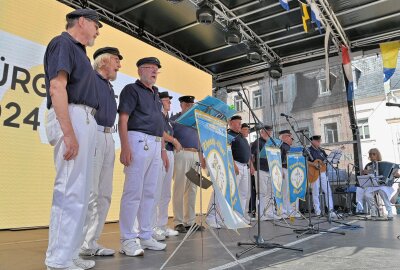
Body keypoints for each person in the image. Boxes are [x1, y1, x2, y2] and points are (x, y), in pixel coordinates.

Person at [44, 8, 101, 270]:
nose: (98, 31)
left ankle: (71, 252)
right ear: (81, 21)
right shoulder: (62, 43)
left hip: (85, 119)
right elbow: (57, 86)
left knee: (81, 191)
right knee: (69, 190)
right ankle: (58, 258)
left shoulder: (80, 51)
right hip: (73, 116)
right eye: (96, 25)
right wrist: (68, 133)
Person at [118, 57, 168, 256]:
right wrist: (124, 146)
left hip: (155, 144)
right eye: (151, 68)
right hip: (138, 141)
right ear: (140, 70)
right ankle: (127, 239)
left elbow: (160, 125)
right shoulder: (131, 89)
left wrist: (163, 150)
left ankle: (145, 235)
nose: (155, 72)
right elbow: (123, 118)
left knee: (150, 192)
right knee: (133, 192)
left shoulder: (156, 94)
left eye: (157, 69)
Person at [79, 47, 122, 257]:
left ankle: (91, 242)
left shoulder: (108, 85)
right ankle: (80, 243)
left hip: (108, 137)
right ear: (103, 61)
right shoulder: (91, 79)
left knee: (104, 194)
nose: (119, 65)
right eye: (116, 60)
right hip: (93, 133)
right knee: (91, 192)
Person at [171, 95, 205, 233]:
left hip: (195, 155)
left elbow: (200, 139)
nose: (191, 107)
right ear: (181, 105)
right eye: (188, 105)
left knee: (192, 190)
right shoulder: (174, 119)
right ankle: (178, 222)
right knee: (180, 187)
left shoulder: (196, 121)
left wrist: (201, 156)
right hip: (182, 154)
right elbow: (168, 135)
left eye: (192, 104)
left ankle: (189, 221)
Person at [152, 91, 182, 240]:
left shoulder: (168, 119)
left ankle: (162, 225)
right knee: (156, 191)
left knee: (165, 193)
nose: (170, 103)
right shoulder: (157, 115)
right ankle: (152, 226)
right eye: (167, 101)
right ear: (160, 101)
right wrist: (175, 141)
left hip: (170, 153)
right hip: (160, 152)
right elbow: (160, 133)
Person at [227, 116, 254, 222]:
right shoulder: (229, 135)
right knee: (233, 192)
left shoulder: (241, 136)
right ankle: (230, 216)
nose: (240, 125)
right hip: (236, 165)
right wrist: (233, 165)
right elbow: (228, 151)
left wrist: (251, 165)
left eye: (240, 123)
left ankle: (240, 215)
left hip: (244, 167)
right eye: (238, 123)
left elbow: (247, 153)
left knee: (244, 193)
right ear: (231, 123)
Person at [251, 125, 281, 220]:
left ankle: (270, 212)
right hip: (260, 169)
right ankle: (260, 214)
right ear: (262, 132)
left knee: (271, 192)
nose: (269, 133)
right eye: (267, 132)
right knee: (261, 193)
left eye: (270, 132)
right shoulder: (257, 142)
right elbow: (252, 156)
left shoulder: (272, 142)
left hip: (271, 169)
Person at [361, 148, 395, 220]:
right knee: (366, 194)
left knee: (382, 192)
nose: (372, 156)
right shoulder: (368, 165)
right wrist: (365, 172)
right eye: (370, 154)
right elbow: (364, 176)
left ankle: (389, 212)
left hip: (383, 185)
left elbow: (394, 174)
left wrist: (395, 174)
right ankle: (373, 210)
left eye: (374, 154)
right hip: (373, 185)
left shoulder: (384, 164)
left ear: (377, 155)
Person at [307, 135, 334, 217]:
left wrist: (330, 159)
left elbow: (326, 160)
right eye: (318, 141)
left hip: (322, 172)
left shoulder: (321, 151)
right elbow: (304, 160)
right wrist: (313, 164)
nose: (319, 143)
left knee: (328, 190)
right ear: (312, 141)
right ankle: (317, 210)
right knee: (315, 192)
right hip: (313, 173)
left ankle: (330, 210)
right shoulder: (308, 150)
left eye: (320, 141)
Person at [279, 130, 300, 218]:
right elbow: (278, 159)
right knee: (285, 191)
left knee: (291, 191)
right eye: (290, 137)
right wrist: (280, 170)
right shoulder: (281, 146)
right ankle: (283, 211)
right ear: (284, 137)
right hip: (284, 169)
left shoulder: (289, 147)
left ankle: (291, 210)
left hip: (292, 170)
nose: (291, 139)